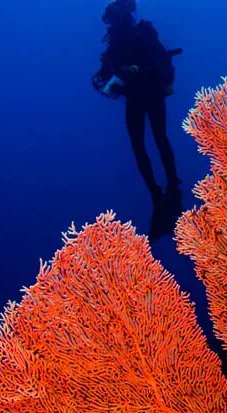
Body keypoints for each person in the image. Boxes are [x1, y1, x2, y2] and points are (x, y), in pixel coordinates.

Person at [92, 0, 184, 241]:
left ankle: (171, 185)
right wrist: (104, 78)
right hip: (135, 98)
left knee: (157, 140)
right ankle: (158, 191)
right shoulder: (115, 43)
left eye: (117, 19)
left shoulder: (144, 33)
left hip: (151, 94)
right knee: (141, 145)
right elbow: (105, 72)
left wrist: (138, 72)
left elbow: (161, 60)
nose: (116, 24)